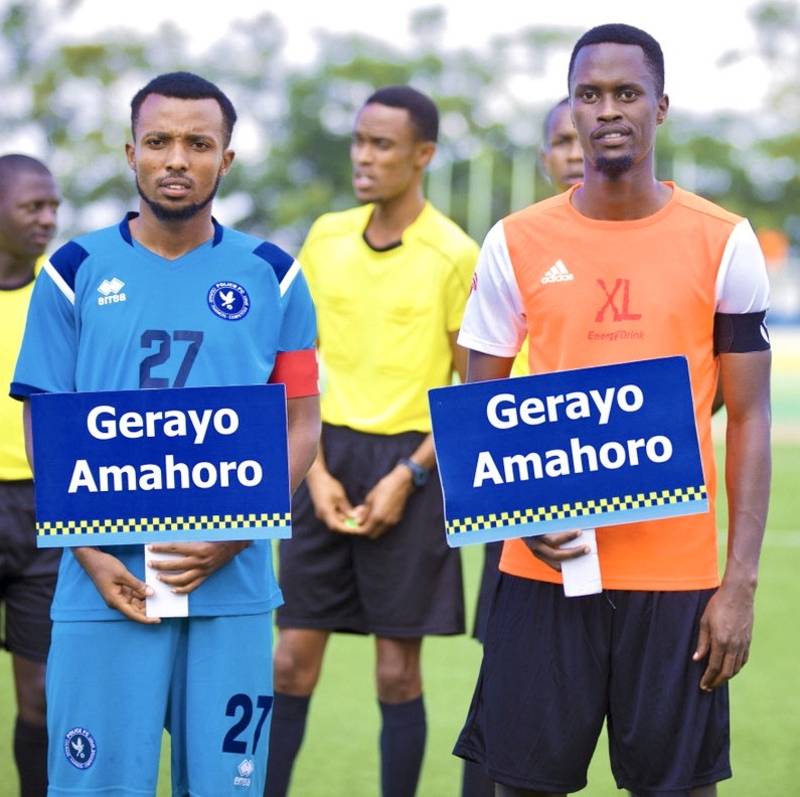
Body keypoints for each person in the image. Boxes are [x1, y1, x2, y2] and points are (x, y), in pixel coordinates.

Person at [453, 24, 771, 797]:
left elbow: (750, 417)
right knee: (522, 783)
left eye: (627, 93)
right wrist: (518, 512)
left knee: (678, 787)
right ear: (571, 107)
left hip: (676, 576)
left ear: (660, 106)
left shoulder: (723, 240)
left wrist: (738, 584)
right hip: (544, 564)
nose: (607, 110)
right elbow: (474, 402)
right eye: (589, 94)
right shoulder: (515, 240)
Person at [10, 72, 320, 795]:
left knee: (225, 785)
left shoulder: (275, 275)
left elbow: (301, 423)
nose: (176, 158)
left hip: (233, 582)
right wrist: (88, 552)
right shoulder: (72, 271)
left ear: (226, 159)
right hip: (103, 581)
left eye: (198, 144)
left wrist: (236, 534)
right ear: (132, 153)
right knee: (93, 785)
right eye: (158, 141)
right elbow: (44, 422)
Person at [267, 86, 478, 797]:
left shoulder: (454, 254)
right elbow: (296, 369)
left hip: (411, 465)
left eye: (382, 144)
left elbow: (470, 394)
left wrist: (408, 476)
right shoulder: (325, 237)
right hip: (321, 455)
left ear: (423, 155)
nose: (363, 156)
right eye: (359, 141)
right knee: (289, 661)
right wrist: (316, 472)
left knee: (397, 673)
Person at [462, 100, 585, 797]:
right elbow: (481, 385)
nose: (576, 151)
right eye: (561, 140)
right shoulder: (518, 245)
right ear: (545, 157)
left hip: (631, 505)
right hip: (528, 497)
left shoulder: (653, 239)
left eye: (581, 137)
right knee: (508, 678)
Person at [0, 154, 61, 797]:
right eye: (32, 206)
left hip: (45, 512)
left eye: (53, 208)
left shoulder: (63, 297)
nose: (47, 219)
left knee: (41, 694)